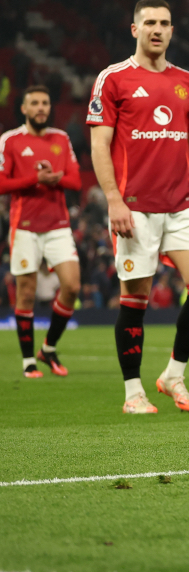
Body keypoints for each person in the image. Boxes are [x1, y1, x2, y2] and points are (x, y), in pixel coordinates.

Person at [88, 0, 189, 414]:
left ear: (172, 30)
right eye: (149, 22)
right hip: (135, 206)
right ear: (134, 29)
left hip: (182, 204)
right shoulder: (113, 79)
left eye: (164, 23)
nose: (157, 29)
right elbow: (99, 144)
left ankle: (173, 376)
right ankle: (133, 394)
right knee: (136, 299)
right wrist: (113, 200)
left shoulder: (186, 80)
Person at [0, 85, 82, 377]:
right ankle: (27, 361)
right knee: (26, 293)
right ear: (23, 108)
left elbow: (76, 180)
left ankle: (47, 348)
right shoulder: (10, 141)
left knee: (71, 286)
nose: (40, 108)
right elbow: (1, 184)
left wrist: (56, 178)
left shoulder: (61, 138)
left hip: (58, 225)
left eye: (45, 103)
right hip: (25, 228)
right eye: (34, 103)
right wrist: (35, 178)